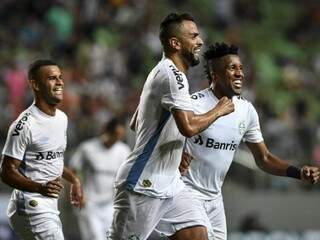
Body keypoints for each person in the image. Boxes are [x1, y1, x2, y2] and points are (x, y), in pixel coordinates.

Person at [173, 42, 320, 240]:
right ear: (215, 75)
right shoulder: (193, 104)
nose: (240, 73)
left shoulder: (246, 111)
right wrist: (175, 154)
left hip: (215, 199)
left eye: (241, 68)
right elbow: (162, 139)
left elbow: (264, 158)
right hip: (185, 192)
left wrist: (298, 172)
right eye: (232, 68)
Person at [108, 13, 234, 240]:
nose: (200, 41)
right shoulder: (172, 75)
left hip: (170, 183)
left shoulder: (168, 74)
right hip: (143, 183)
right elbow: (188, 127)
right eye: (194, 36)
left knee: (197, 234)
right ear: (175, 43)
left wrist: (175, 150)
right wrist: (219, 109)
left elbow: (137, 121)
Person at [0, 59, 83, 240]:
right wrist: (39, 187)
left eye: (60, 77)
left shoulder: (62, 118)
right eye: (52, 78)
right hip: (30, 203)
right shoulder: (24, 125)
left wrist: (74, 179)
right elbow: (6, 172)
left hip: (48, 204)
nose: (60, 82)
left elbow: (50, 159)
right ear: (35, 85)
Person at [69, 117, 131, 240]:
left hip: (110, 205)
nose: (118, 138)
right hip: (89, 204)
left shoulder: (124, 151)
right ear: (107, 131)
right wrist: (79, 192)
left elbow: (127, 176)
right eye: (116, 134)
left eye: (121, 135)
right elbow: (73, 170)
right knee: (95, 237)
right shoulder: (87, 148)